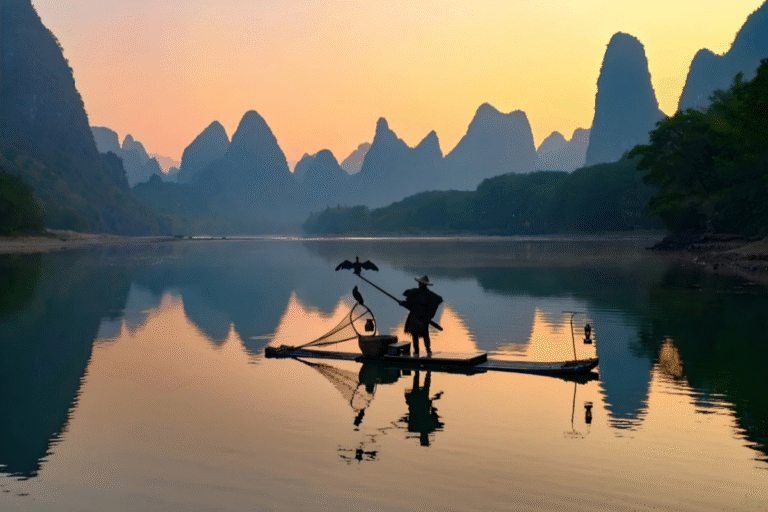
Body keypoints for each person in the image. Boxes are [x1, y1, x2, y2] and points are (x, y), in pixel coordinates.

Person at [400, 275, 442, 356]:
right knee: (425, 333)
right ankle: (428, 351)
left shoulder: (415, 293)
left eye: (419, 283)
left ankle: (416, 352)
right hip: (424, 318)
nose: (418, 284)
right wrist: (428, 316)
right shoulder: (430, 295)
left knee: (414, 334)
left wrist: (402, 303)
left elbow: (411, 305)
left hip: (414, 317)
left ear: (421, 284)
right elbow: (433, 307)